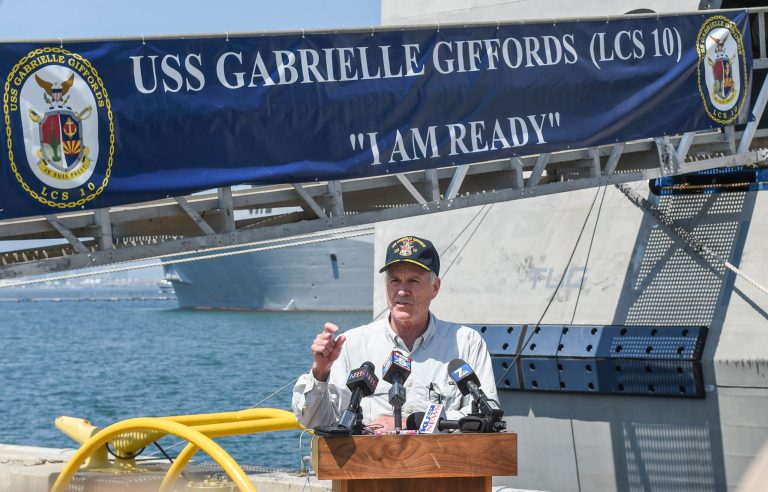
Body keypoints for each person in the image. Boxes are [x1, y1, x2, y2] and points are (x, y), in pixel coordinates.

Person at [291, 235, 497, 431]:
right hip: (371, 466)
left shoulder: (466, 342)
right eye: (395, 280)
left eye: (413, 281)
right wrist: (320, 371)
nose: (402, 290)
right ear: (385, 285)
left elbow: (489, 413)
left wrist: (416, 423)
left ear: (435, 287)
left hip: (442, 465)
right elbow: (315, 421)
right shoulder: (352, 344)